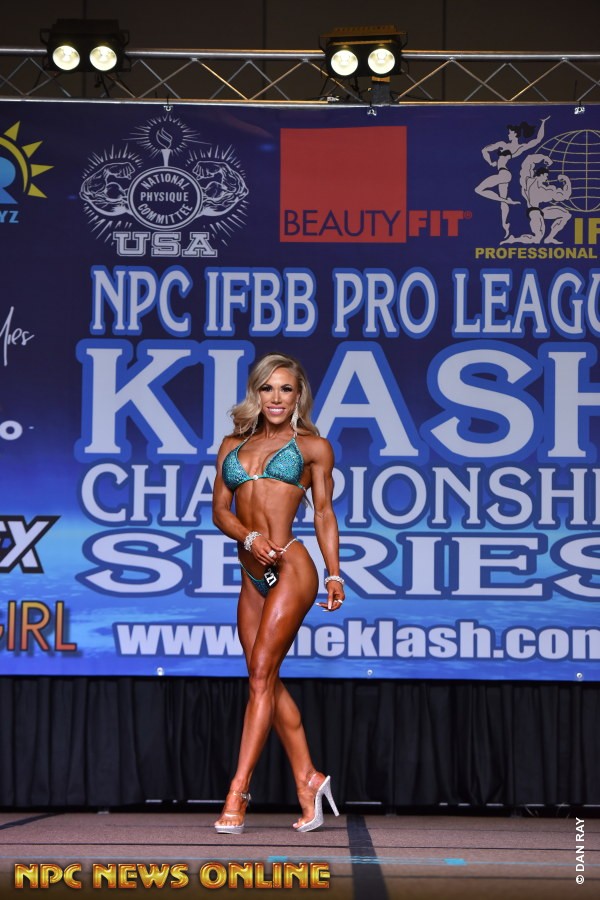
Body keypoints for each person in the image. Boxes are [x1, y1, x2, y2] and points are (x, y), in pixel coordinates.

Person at [212, 352, 345, 834]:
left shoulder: (313, 447)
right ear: (256, 393)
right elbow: (220, 511)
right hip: (252, 570)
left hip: (291, 566)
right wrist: (247, 537)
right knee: (263, 678)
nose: (276, 397)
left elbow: (323, 513)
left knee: (261, 677)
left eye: (286, 389)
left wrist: (334, 574)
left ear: (298, 395)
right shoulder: (232, 444)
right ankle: (309, 778)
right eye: (268, 388)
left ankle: (238, 791)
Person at [474, 117, 549, 239]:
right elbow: (484, 150)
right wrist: (490, 162)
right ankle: (505, 226)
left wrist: (543, 123)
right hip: (505, 174)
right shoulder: (516, 147)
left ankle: (508, 202)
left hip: (503, 174)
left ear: (515, 134)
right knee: (503, 203)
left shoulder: (506, 145)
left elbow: (538, 140)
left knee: (478, 189)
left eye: (510, 133)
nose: (508, 135)